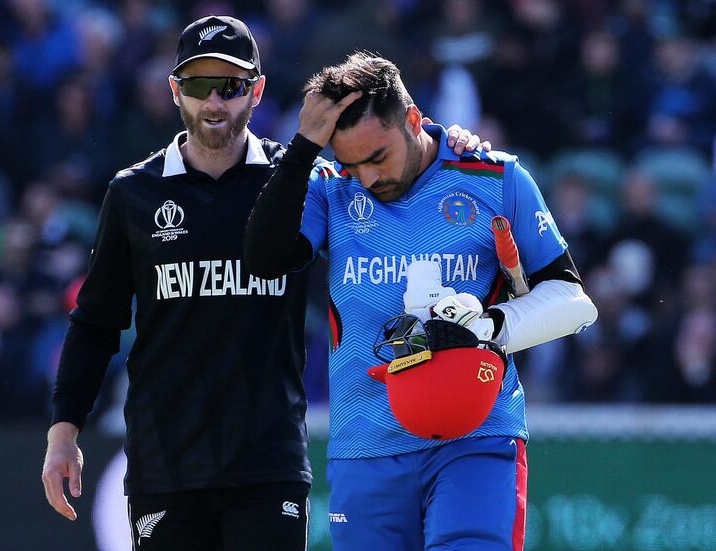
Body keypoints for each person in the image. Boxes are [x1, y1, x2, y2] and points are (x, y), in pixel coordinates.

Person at [40, 16, 488, 550]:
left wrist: (450, 145)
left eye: (229, 86)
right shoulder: (134, 193)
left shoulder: (305, 179)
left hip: (268, 466)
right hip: (166, 466)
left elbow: (393, 185)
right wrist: (64, 429)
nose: (214, 103)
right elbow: (96, 322)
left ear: (257, 90)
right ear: (174, 91)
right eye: (199, 85)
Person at [244, 52, 598, 550]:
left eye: (378, 157)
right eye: (351, 162)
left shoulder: (496, 179)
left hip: (476, 438)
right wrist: (304, 149)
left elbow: (573, 299)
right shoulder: (330, 190)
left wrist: (487, 327)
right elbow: (263, 259)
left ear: (413, 120)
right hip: (363, 444)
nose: (366, 177)